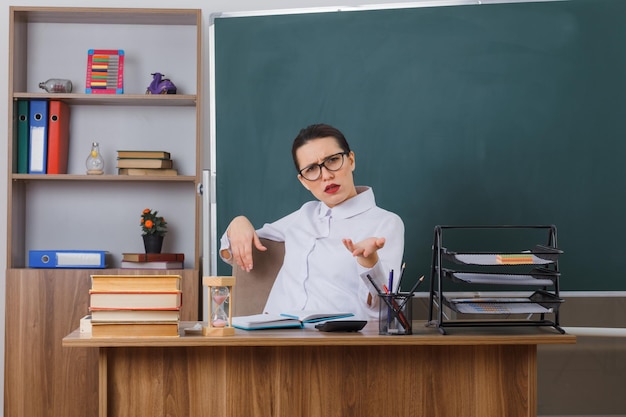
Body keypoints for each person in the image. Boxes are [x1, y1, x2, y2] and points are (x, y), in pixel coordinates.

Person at [219, 123, 404, 320]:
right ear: (303, 181)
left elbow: (382, 311)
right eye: (311, 169)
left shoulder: (386, 223)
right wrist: (237, 223)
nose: (326, 176)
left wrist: (369, 262)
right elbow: (230, 251)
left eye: (333, 160)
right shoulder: (304, 215)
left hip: (339, 339)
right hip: (274, 331)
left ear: (351, 160)